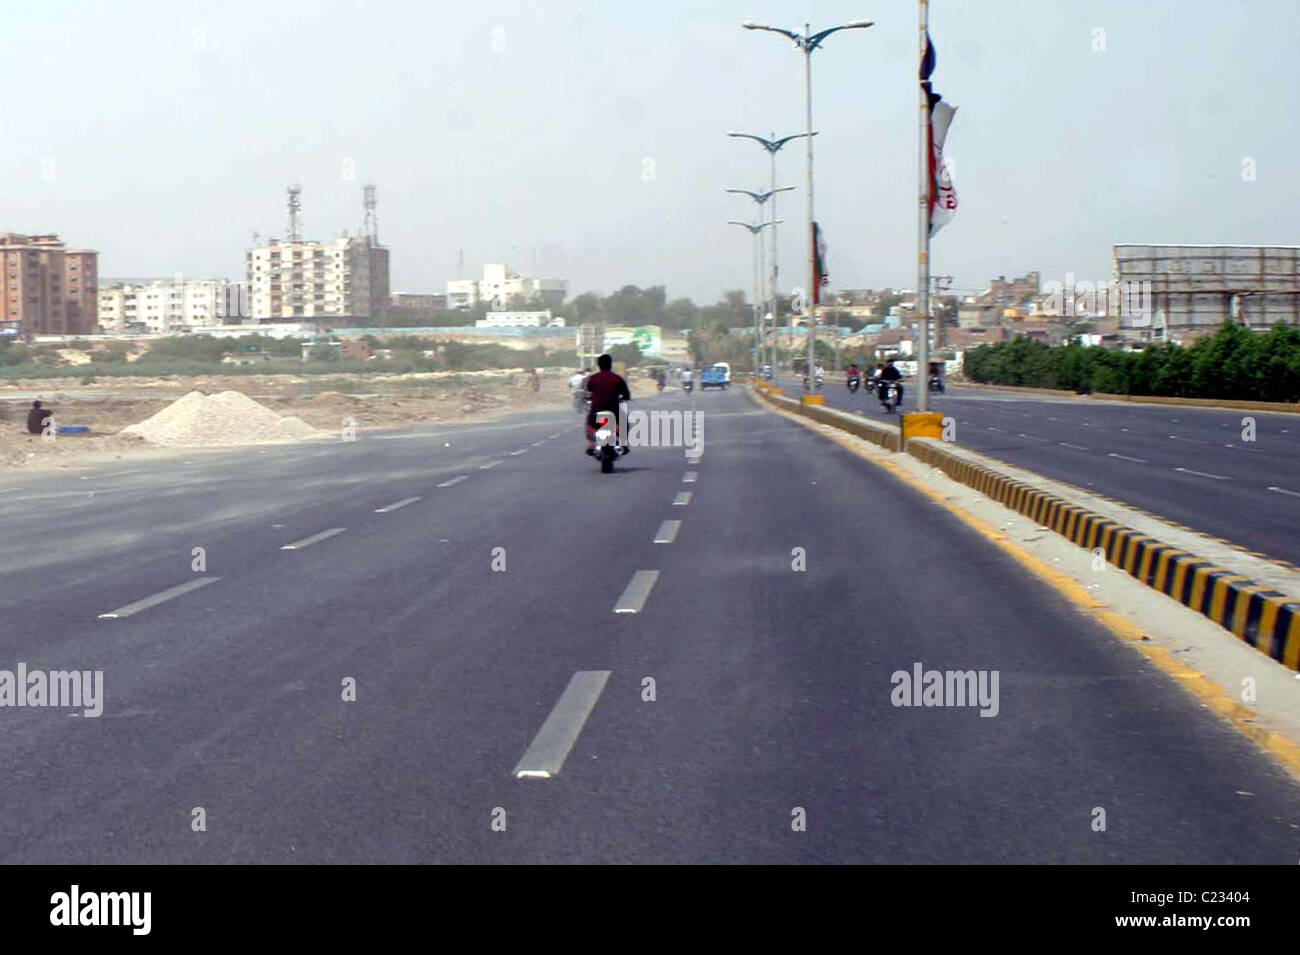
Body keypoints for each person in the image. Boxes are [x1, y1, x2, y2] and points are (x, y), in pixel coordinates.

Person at [585, 353, 631, 456]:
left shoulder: (593, 379)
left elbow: (588, 392)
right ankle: (623, 444)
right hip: (614, 411)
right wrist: (623, 398)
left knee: (589, 423)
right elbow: (626, 395)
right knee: (624, 421)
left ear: (598, 365)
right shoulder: (617, 379)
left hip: (596, 411)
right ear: (611, 364)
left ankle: (590, 444)